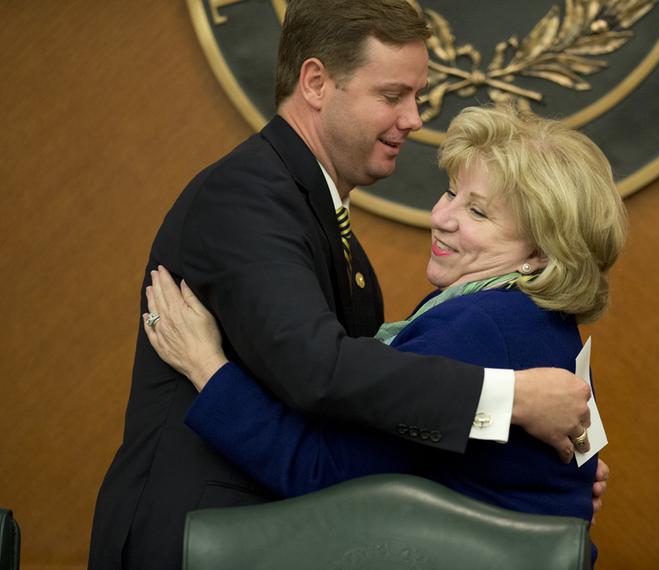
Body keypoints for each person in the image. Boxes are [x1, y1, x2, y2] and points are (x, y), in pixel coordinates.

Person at [89, 2, 601, 568]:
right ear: (315, 83)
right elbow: (321, 369)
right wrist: (513, 404)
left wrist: (540, 469)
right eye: (391, 96)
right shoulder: (248, 197)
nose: (413, 118)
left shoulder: (445, 298)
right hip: (191, 540)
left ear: (539, 248)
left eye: (478, 210)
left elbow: (351, 434)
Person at [143, 104, 626, 562]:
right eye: (451, 192)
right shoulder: (535, 318)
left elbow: (323, 477)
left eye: (477, 213)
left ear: (541, 252)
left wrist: (207, 367)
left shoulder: (479, 326)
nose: (441, 217)